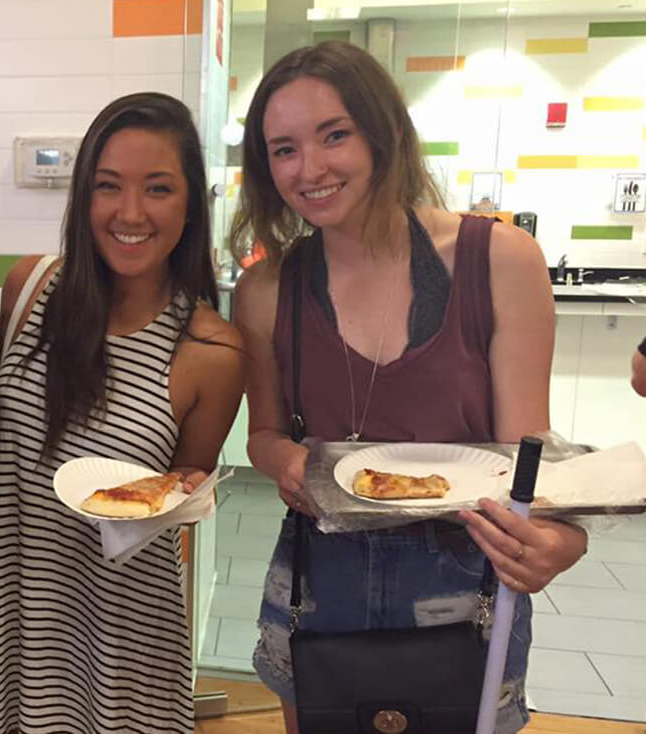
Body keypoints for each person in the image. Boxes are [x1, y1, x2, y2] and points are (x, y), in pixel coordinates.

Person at [230, 41, 588, 734]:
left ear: (386, 132)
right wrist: (290, 462)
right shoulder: (267, 287)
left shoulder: (500, 261)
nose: (311, 168)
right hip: (319, 576)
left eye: (335, 135)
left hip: (463, 577)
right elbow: (264, 435)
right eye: (284, 150)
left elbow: (526, 455)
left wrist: (558, 538)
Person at [0, 92, 244, 734]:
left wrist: (187, 493)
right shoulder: (28, 288)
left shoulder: (212, 352)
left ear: (190, 204)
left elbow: (181, 489)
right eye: (108, 185)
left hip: (123, 633)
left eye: (158, 188)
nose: (131, 212)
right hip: (15, 614)